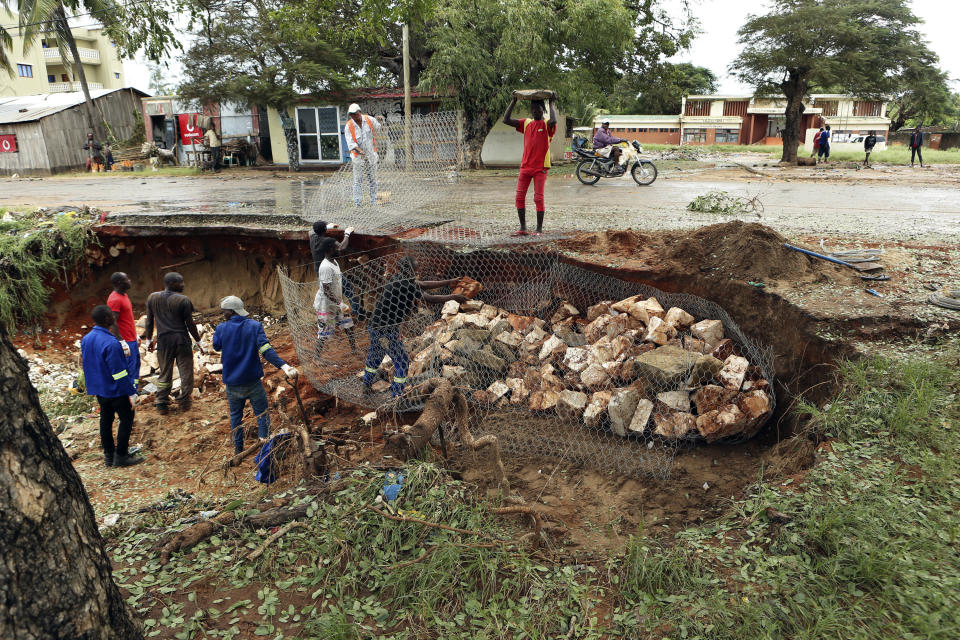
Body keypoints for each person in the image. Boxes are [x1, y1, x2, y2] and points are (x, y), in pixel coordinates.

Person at [362, 258, 466, 397]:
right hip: (387, 330)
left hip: (376, 326)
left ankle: (366, 386)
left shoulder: (398, 277)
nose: (416, 274)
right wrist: (453, 297)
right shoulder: (406, 284)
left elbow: (422, 284)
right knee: (402, 361)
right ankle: (396, 396)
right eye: (414, 271)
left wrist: (449, 281)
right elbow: (429, 298)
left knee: (375, 356)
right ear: (407, 270)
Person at [213, 296, 298, 454]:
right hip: (252, 382)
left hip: (232, 383)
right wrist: (285, 366)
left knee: (235, 416)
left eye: (224, 312)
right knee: (262, 414)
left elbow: (216, 346)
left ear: (231, 312)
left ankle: (239, 450)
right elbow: (266, 351)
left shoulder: (221, 329)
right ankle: (265, 448)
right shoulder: (254, 326)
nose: (222, 315)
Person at [80, 305, 143, 467]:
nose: (114, 317)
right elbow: (119, 373)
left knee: (105, 421)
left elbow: (89, 364)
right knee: (126, 419)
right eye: (111, 316)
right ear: (108, 319)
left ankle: (109, 455)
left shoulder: (86, 339)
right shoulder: (111, 343)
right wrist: (131, 392)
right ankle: (121, 455)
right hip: (115, 390)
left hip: (100, 389)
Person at [141, 272, 203, 415]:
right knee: (186, 372)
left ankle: (162, 403)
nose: (183, 285)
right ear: (172, 283)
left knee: (164, 373)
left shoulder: (152, 298)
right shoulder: (183, 300)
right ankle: (184, 402)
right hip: (182, 341)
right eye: (180, 282)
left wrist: (149, 340)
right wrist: (199, 341)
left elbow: (149, 321)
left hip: (164, 342)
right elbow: (190, 324)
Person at [502, 92, 558, 236]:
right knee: (519, 198)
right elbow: (506, 120)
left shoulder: (547, 124)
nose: (534, 111)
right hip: (525, 167)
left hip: (540, 168)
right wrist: (513, 101)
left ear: (542, 110)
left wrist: (551, 103)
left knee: (538, 198)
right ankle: (523, 228)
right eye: (532, 108)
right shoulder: (526, 123)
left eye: (538, 108)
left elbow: (553, 121)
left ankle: (539, 230)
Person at [309, 220, 364, 321]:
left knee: (329, 298)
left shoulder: (312, 237)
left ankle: (337, 319)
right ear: (324, 229)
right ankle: (358, 314)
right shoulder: (326, 241)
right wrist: (347, 233)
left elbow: (311, 230)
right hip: (332, 273)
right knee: (348, 292)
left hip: (320, 274)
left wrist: (328, 227)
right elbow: (341, 247)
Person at [313, 237, 357, 352]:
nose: (340, 249)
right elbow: (326, 290)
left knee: (348, 325)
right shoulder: (326, 267)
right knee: (324, 332)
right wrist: (340, 304)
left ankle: (354, 350)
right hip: (327, 306)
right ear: (330, 249)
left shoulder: (334, 261)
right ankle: (316, 357)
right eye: (337, 247)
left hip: (337, 303)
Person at [344, 103, 383, 206]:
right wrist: (361, 152)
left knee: (373, 179)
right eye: (351, 115)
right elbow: (351, 143)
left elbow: (379, 128)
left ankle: (374, 201)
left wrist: (380, 120)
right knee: (358, 181)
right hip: (358, 157)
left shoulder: (369, 119)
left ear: (359, 112)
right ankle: (358, 203)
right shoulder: (349, 126)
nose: (354, 116)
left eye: (355, 114)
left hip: (371, 155)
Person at [107, 272, 139, 388]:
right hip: (126, 340)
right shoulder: (114, 299)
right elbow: (112, 322)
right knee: (129, 367)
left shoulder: (124, 295)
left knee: (135, 365)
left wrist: (135, 334)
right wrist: (121, 341)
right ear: (119, 283)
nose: (129, 281)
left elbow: (127, 318)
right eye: (127, 279)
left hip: (131, 338)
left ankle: (134, 390)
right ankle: (129, 393)